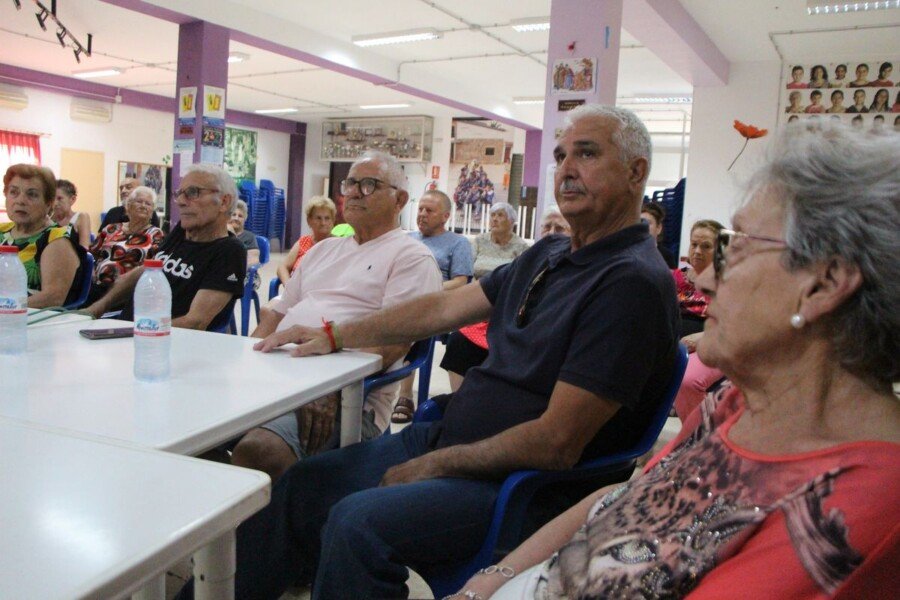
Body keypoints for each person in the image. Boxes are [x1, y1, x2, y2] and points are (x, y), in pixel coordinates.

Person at [174, 104, 680, 600]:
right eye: (561, 154)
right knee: (303, 485)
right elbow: (441, 309)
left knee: (356, 522)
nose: (566, 170)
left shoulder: (629, 282)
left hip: (520, 486)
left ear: (637, 172)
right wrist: (338, 334)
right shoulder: (551, 253)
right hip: (450, 438)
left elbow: (557, 443)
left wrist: (440, 465)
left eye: (586, 155)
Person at [450, 120, 900, 600]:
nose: (704, 283)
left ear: (824, 284)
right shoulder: (738, 401)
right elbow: (622, 497)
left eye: (736, 247)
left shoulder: (857, 501)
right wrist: (489, 583)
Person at [230, 151, 442, 480]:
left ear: (399, 199)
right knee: (191, 422)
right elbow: (276, 314)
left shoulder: (411, 258)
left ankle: (272, 528)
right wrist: (244, 361)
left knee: (260, 450)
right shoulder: (323, 250)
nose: (354, 192)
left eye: (369, 184)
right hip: (276, 374)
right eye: (351, 183)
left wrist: (329, 388)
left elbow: (392, 345)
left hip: (350, 395)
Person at [86, 164, 245, 331]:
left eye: (192, 193)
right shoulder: (182, 231)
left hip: (160, 344)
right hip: (128, 331)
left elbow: (195, 322)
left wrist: (131, 332)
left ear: (224, 202)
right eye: (179, 194)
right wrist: (97, 308)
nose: (181, 202)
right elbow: (148, 270)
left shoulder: (230, 250)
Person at [392, 189, 475, 424]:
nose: (422, 214)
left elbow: (461, 281)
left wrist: (427, 290)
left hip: (437, 303)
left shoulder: (458, 243)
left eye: (429, 210)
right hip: (401, 299)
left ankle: (404, 396)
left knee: (408, 319)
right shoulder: (406, 239)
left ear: (445, 216)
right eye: (420, 209)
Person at [440, 201, 529, 392]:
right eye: (493, 215)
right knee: (457, 341)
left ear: (512, 221)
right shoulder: (479, 241)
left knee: (501, 346)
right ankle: (458, 398)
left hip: (505, 308)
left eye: (500, 215)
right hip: (478, 303)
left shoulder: (521, 247)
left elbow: (523, 283)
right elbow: (468, 275)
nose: (495, 219)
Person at [0, 164, 83, 308]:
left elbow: (52, 298)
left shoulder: (56, 239)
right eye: (14, 192)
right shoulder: (2, 230)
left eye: (31, 194)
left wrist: (5, 307)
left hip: (27, 321)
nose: (20, 200)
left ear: (48, 203)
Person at [88, 186, 164, 303]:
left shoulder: (155, 234)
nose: (143, 206)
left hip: (127, 291)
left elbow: (155, 265)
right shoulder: (111, 228)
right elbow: (91, 254)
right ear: (128, 206)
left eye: (148, 204)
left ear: (152, 212)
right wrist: (91, 272)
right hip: (97, 285)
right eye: (139, 201)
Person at [673, 219, 724, 338]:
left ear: (719, 251)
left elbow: (731, 328)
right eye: (694, 244)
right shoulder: (674, 277)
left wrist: (699, 338)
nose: (697, 251)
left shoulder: (725, 285)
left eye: (706, 246)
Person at [276, 196, 335, 285]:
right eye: (318, 218)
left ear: (333, 220)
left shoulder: (337, 244)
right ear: (309, 221)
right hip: (297, 292)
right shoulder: (303, 241)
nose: (323, 223)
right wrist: (288, 286)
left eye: (327, 218)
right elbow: (282, 267)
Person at [51, 179, 91, 248]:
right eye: (52, 199)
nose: (55, 203)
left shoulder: (81, 217)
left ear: (72, 199)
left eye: (59, 198)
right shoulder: (49, 220)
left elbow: (84, 248)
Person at [641, 202, 676, 268]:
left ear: (659, 228)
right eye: (641, 222)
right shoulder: (631, 253)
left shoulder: (666, 256)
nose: (644, 226)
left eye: (648, 222)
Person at [228, 199, 259, 267]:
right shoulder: (220, 234)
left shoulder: (249, 237)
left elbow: (254, 260)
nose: (236, 218)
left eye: (240, 216)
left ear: (245, 219)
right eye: (233, 215)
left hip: (241, 272)